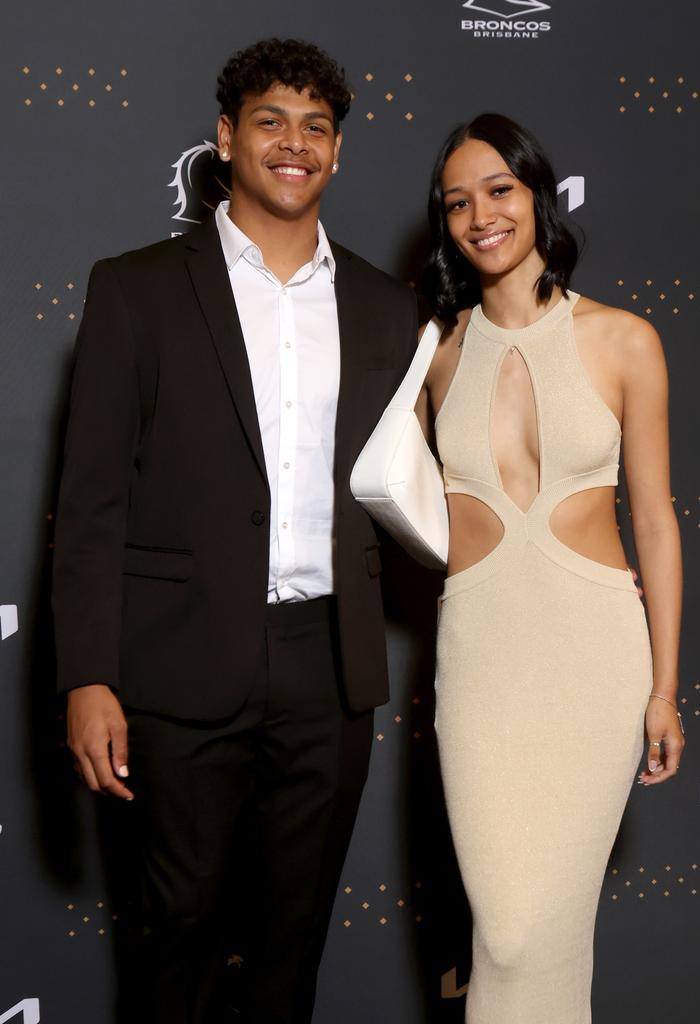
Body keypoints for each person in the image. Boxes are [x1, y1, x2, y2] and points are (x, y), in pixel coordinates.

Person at [52, 38, 417, 1024]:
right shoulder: (134, 288)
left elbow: (415, 489)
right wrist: (88, 673)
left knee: (291, 950)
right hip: (176, 666)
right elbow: (90, 502)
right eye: (271, 121)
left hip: (328, 671)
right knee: (178, 939)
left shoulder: (388, 309)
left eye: (316, 127)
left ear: (336, 151)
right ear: (226, 138)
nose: (294, 144)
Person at [414, 114, 684, 1022]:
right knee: (505, 932)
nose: (480, 215)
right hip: (482, 660)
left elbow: (654, 520)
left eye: (498, 190)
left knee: (550, 930)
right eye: (458, 202)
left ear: (537, 195)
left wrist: (664, 688)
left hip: (595, 659)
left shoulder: (622, 341)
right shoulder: (437, 359)